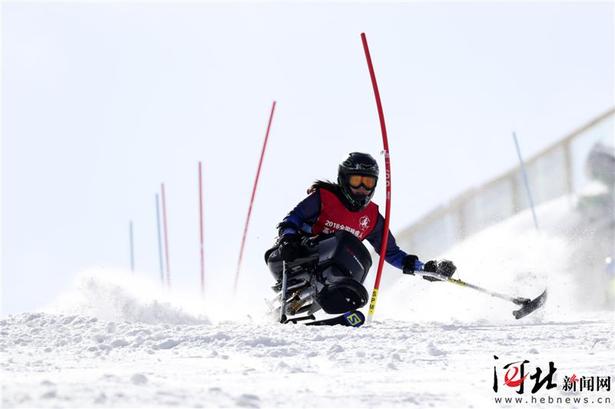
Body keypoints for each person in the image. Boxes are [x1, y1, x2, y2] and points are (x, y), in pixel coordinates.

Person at [265, 152, 456, 315]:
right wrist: (289, 239)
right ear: (344, 179)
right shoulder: (324, 198)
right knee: (343, 240)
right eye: (357, 181)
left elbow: (390, 252)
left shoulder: (372, 218)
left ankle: (340, 294)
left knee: (358, 253)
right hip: (295, 258)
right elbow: (291, 220)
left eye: (368, 182)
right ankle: (327, 289)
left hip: (332, 272)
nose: (362, 189)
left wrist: (424, 268)